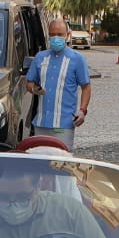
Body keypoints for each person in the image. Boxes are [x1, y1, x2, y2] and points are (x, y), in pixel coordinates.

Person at [26, 19, 91, 150]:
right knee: (41, 164)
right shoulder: (40, 57)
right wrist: (34, 89)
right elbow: (29, 82)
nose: (56, 38)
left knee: (62, 165)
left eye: (60, 34)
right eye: (53, 34)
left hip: (64, 125)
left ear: (67, 35)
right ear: (48, 35)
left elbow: (86, 87)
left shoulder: (77, 59)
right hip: (41, 123)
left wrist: (82, 110)